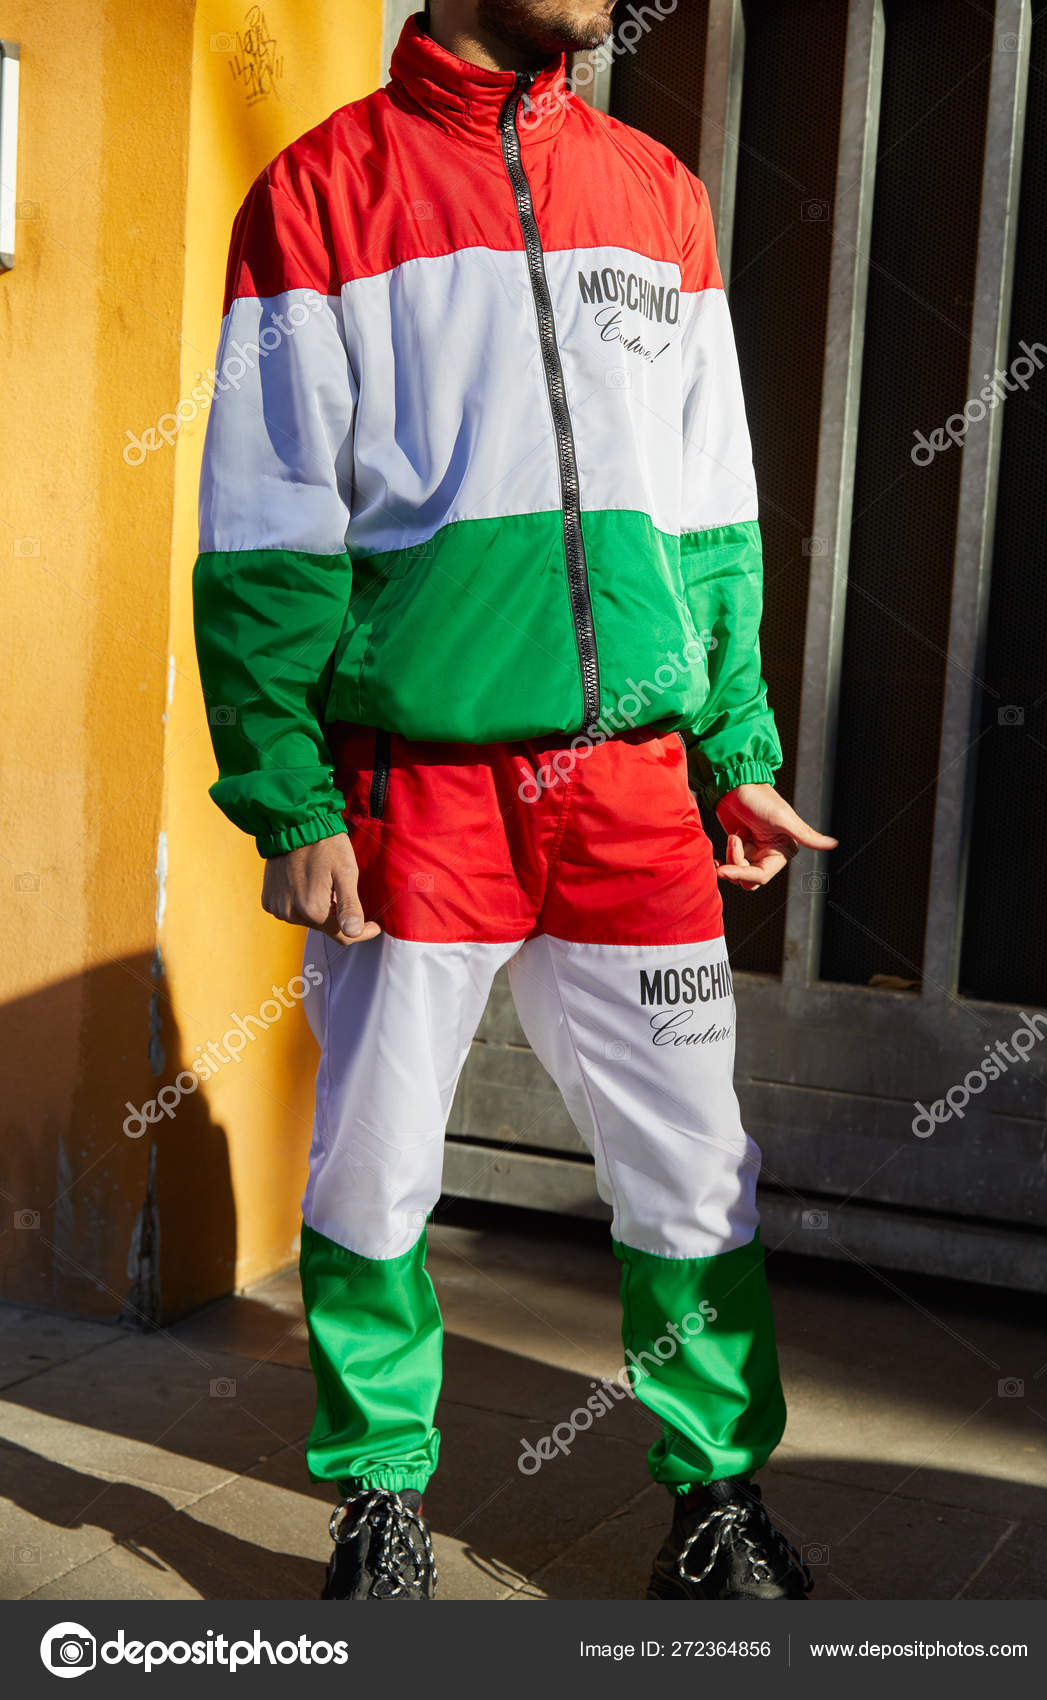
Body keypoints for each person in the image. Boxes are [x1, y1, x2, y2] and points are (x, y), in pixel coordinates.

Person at [193, 0, 837, 1601]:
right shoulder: (320, 188)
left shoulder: (656, 190)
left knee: (694, 1163)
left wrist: (731, 743)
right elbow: (264, 516)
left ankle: (715, 1506)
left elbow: (710, 501)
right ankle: (381, 1507)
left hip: (628, 786)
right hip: (420, 783)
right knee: (374, 1161)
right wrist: (287, 793)